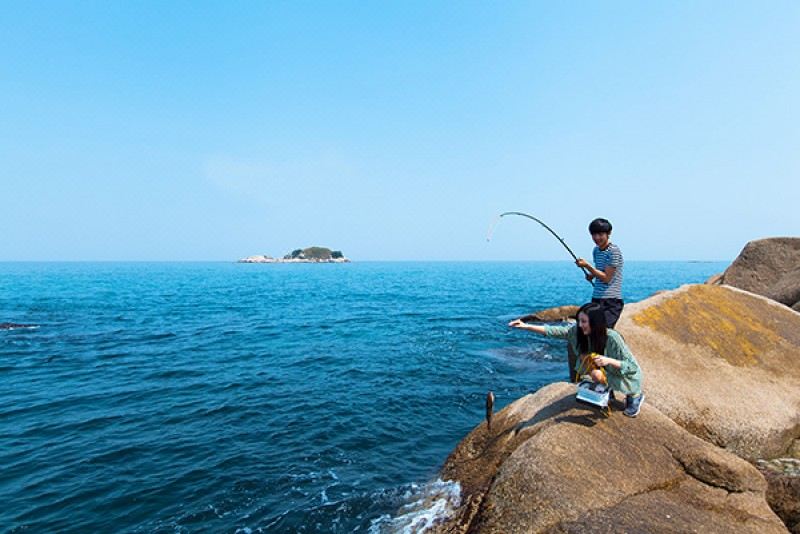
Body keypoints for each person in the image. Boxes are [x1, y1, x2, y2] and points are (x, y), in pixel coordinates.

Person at [509, 302, 645, 417]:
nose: (580, 325)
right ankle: (607, 389)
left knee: (619, 383)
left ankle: (636, 396)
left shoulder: (612, 338)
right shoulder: (577, 332)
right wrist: (526, 326)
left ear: (595, 322)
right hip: (606, 369)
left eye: (584, 321)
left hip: (624, 373)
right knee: (589, 365)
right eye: (579, 321)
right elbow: (554, 331)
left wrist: (609, 361)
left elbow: (632, 367)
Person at [576, 218, 624, 328]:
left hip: (611, 300)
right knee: (593, 331)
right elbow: (601, 270)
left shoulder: (613, 251)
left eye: (601, 234)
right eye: (594, 235)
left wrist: (587, 266)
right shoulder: (596, 250)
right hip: (596, 298)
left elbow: (607, 278)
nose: (597, 238)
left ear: (609, 233)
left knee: (604, 330)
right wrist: (591, 275)